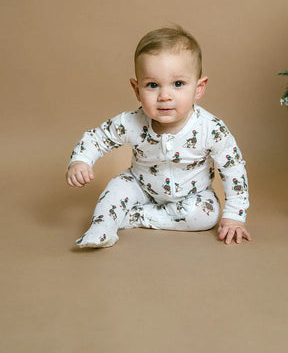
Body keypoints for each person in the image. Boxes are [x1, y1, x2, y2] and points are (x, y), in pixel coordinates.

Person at [67, 25, 251, 248]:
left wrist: (234, 216)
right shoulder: (131, 122)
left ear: (199, 88)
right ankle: (101, 227)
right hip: (141, 185)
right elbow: (98, 137)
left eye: (178, 84)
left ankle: (137, 217)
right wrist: (81, 160)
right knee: (116, 189)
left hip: (191, 195)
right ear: (137, 89)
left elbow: (233, 169)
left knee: (207, 214)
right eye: (152, 85)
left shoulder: (210, 128)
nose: (165, 96)